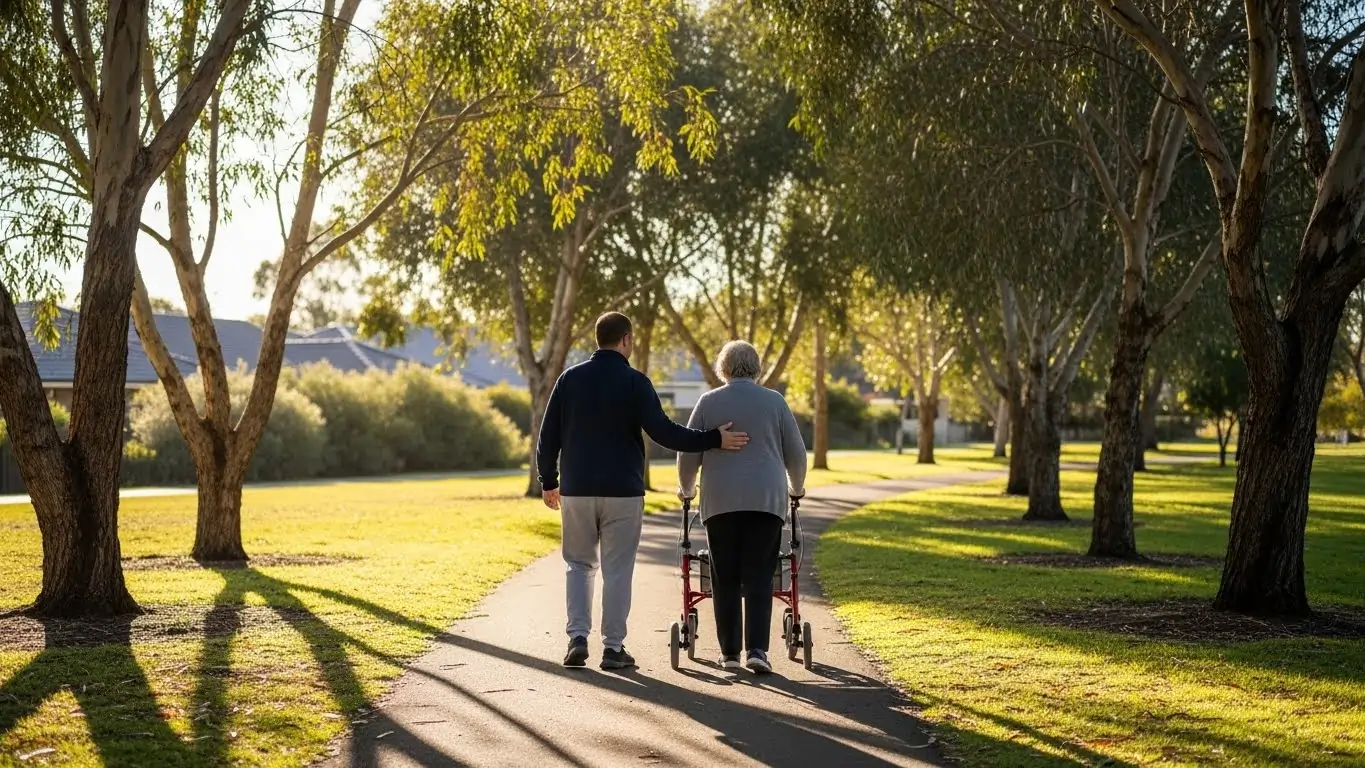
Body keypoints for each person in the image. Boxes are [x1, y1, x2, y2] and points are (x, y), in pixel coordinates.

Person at [537, 312, 749, 670]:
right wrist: (714, 438)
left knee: (578, 564)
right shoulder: (635, 382)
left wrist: (548, 480)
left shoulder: (569, 379)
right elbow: (665, 432)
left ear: (598, 339)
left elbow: (548, 435)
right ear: (626, 340)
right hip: (623, 491)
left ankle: (576, 639)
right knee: (617, 569)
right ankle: (613, 648)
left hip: (577, 489)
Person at [677, 340, 806, 674]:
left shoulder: (708, 402)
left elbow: (687, 453)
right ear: (757, 367)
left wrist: (687, 489)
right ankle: (758, 652)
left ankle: (730, 653)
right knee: (761, 574)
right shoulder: (775, 402)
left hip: (720, 502)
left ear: (724, 368)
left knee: (725, 576)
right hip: (766, 501)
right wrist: (797, 487)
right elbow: (797, 454)